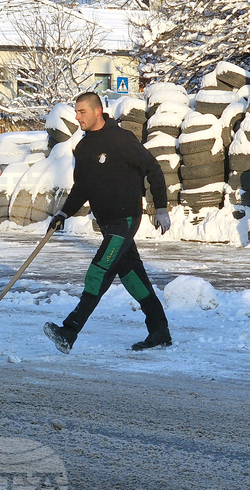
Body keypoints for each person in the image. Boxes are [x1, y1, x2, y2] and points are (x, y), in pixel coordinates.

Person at [43, 92, 172, 353]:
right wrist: (63, 213)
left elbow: (153, 168)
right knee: (133, 277)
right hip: (107, 223)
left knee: (98, 272)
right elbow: (82, 187)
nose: (77, 117)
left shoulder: (121, 139)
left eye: (82, 112)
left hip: (125, 219)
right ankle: (160, 332)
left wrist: (161, 207)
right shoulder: (83, 147)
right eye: (76, 112)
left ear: (97, 111)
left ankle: (69, 331)